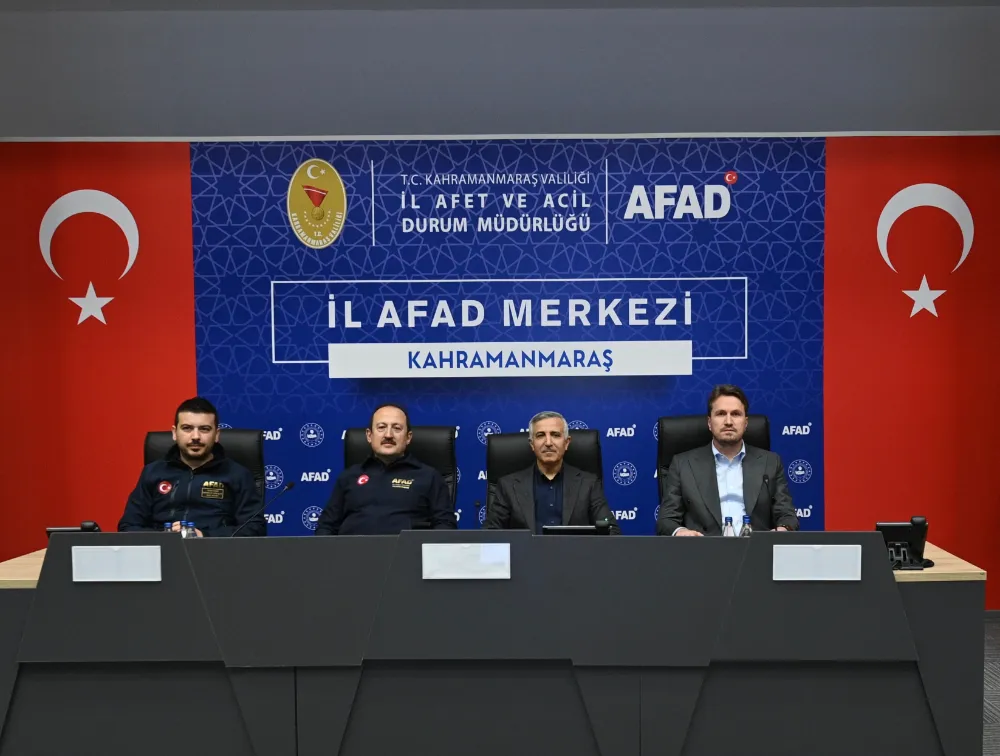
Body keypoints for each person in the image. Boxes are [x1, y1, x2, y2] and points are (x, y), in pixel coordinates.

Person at [656, 384, 798, 536]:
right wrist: (681, 532)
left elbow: (787, 515)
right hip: (704, 547)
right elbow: (666, 520)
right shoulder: (683, 464)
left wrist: (783, 530)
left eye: (736, 414)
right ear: (709, 423)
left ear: (746, 423)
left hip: (755, 548)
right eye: (721, 414)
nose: (728, 421)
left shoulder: (770, 462)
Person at [118, 397, 266, 537]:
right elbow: (128, 526)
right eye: (187, 428)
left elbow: (255, 528)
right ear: (174, 433)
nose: (195, 436)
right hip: (162, 551)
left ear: (216, 434)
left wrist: (204, 536)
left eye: (204, 429)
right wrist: (164, 537)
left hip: (215, 552)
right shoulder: (152, 472)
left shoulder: (237, 475)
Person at [314, 403, 456, 535]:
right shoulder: (349, 477)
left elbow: (445, 525)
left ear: (408, 437)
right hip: (352, 552)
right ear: (369, 435)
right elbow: (326, 526)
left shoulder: (429, 476)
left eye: (397, 428)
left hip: (406, 552)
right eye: (381, 427)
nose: (388, 435)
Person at [484, 411, 621, 534]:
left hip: (574, 554)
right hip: (526, 554)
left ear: (566, 443)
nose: (548, 442)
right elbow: (490, 534)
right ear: (532, 444)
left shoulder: (588, 483)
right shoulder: (508, 485)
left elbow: (611, 531)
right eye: (540, 435)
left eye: (555, 435)